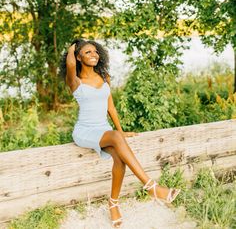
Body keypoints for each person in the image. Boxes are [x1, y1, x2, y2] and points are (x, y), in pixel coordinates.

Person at [61, 38, 180, 228]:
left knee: (119, 158)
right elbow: (69, 63)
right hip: (85, 131)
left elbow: (111, 108)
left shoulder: (104, 76)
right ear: (78, 57)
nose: (94, 55)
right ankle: (152, 188)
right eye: (88, 52)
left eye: (95, 51)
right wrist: (73, 46)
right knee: (115, 137)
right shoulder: (75, 81)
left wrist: (121, 131)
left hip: (104, 130)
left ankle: (113, 203)